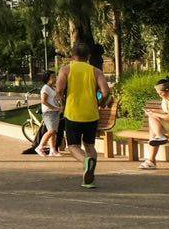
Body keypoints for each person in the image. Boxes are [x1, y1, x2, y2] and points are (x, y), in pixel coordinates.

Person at [54, 41, 112, 188]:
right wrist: (100, 103)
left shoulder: (66, 70)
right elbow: (106, 92)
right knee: (90, 146)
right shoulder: (96, 71)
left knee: (73, 146)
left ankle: (86, 162)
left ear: (72, 56)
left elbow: (59, 90)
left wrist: (61, 102)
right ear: (88, 56)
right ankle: (89, 180)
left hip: (73, 113)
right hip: (91, 114)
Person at [35, 71, 63, 156]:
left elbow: (55, 98)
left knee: (53, 132)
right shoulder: (45, 88)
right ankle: (40, 147)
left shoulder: (53, 88)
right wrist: (54, 108)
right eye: (53, 77)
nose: (55, 78)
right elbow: (43, 101)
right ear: (48, 79)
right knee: (51, 131)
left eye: (55, 76)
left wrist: (59, 107)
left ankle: (52, 150)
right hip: (48, 112)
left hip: (55, 112)